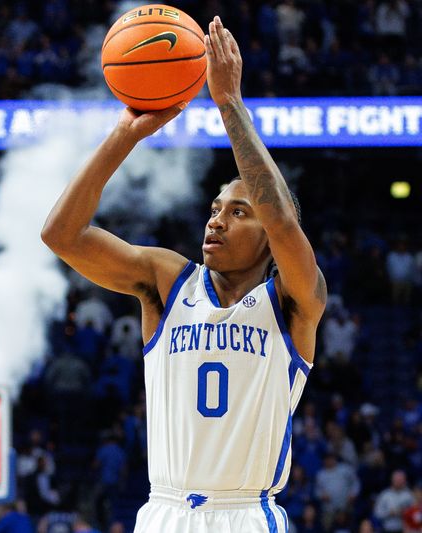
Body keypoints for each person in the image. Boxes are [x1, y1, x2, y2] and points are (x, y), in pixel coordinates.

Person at [41, 15, 326, 533]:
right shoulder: (168, 280)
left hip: (246, 513)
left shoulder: (293, 300)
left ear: (270, 237)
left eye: (239, 212)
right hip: (164, 511)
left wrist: (230, 106)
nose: (216, 219)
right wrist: (125, 135)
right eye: (215, 207)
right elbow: (61, 235)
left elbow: (282, 218)